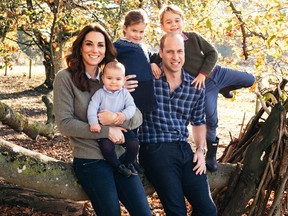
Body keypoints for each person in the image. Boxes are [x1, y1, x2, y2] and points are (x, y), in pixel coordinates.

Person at [53, 23, 151, 216]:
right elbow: (64, 124)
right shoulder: (65, 78)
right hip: (90, 159)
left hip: (121, 156)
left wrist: (116, 118)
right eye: (89, 44)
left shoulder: (112, 77)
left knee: (143, 212)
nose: (95, 50)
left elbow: (137, 116)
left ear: (106, 49)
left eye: (100, 45)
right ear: (80, 47)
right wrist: (107, 131)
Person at [157, 4, 255, 172]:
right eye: (169, 22)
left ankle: (225, 88)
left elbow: (213, 53)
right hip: (204, 86)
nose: (174, 25)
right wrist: (153, 63)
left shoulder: (193, 37)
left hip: (217, 74)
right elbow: (158, 57)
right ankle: (211, 154)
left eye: (177, 20)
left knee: (250, 79)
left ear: (182, 21)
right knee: (211, 119)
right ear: (162, 26)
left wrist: (203, 72)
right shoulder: (166, 44)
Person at [138, 32, 217, 215]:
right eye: (170, 52)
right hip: (155, 148)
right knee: (177, 211)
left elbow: (198, 122)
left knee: (208, 210)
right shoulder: (148, 80)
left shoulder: (194, 87)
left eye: (180, 51)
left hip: (184, 149)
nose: (176, 57)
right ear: (161, 53)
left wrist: (200, 150)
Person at [87, 61, 139, 177]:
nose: (113, 82)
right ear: (103, 78)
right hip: (105, 129)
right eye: (109, 78)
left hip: (121, 127)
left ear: (124, 80)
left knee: (134, 144)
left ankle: (127, 164)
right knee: (106, 147)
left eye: (118, 79)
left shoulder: (125, 94)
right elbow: (92, 108)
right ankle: (117, 167)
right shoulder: (99, 94)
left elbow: (131, 107)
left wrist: (123, 115)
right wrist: (93, 123)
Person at [113, 9, 159, 113]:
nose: (138, 35)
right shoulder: (119, 46)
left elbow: (153, 56)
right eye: (134, 31)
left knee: (144, 125)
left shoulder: (142, 46)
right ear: (125, 28)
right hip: (132, 93)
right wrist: (118, 81)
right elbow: (107, 63)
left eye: (141, 32)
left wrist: (153, 63)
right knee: (130, 124)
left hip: (146, 94)